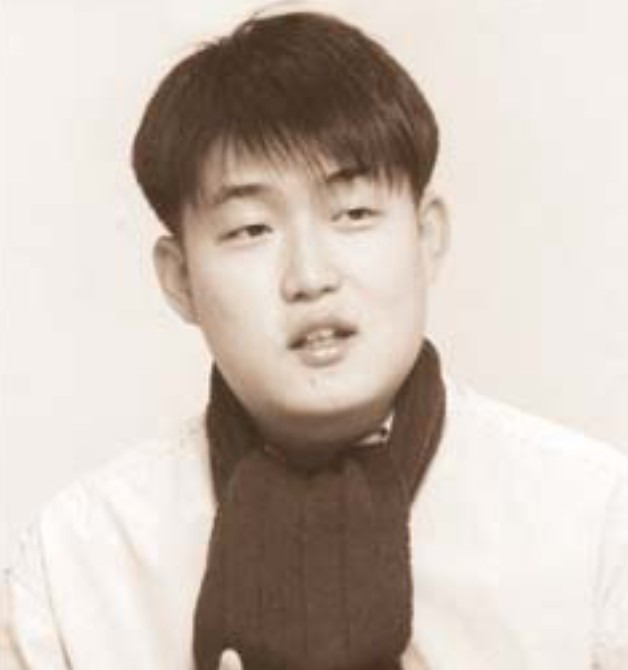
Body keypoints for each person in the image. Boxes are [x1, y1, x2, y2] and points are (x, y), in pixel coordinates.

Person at [3, 8, 627, 670]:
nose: (309, 276)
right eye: (251, 229)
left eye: (353, 213)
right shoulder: (80, 563)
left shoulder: (594, 525)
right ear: (180, 279)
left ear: (427, 238)